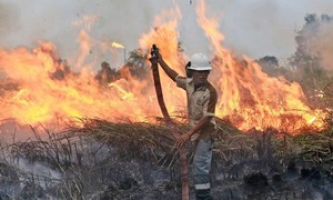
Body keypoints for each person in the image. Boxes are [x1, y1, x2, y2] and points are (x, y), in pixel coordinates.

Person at [151, 51, 217, 200]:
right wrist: (160, 62)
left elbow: (207, 118)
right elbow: (174, 76)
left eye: (206, 71)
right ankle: (202, 195)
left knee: (200, 166)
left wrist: (188, 134)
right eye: (200, 72)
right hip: (194, 133)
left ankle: (204, 197)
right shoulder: (189, 84)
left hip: (205, 134)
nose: (203, 75)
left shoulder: (210, 92)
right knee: (198, 167)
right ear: (192, 72)